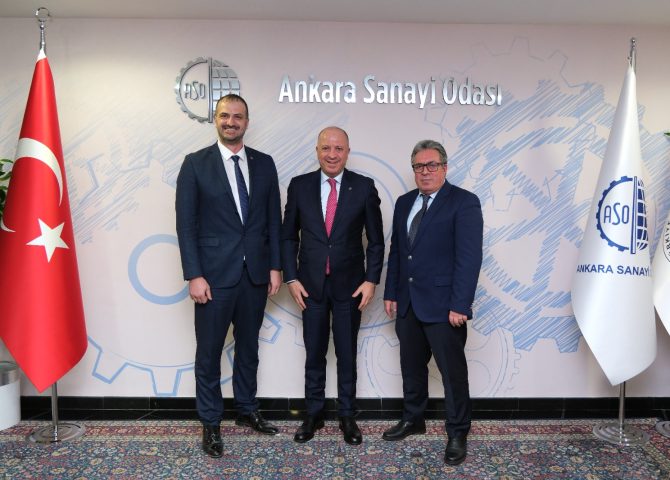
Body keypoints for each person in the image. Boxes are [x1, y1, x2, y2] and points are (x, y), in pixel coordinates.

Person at [175, 94, 282, 458]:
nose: (231, 122)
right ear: (216, 119)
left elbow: (273, 220)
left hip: (255, 275)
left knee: (248, 348)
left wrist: (275, 266)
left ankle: (247, 410)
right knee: (208, 353)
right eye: (225, 116)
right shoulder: (195, 164)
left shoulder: (264, 164)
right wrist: (194, 274)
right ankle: (210, 422)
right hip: (213, 278)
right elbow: (186, 225)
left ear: (246, 122)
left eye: (237, 116)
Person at [281, 126, 384, 445]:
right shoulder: (299, 186)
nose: (332, 154)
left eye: (338, 148)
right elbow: (288, 237)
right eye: (326, 148)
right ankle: (313, 413)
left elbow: (376, 241)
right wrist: (291, 277)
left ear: (348, 152)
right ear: (317, 151)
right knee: (314, 353)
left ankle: (347, 416)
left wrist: (371, 280)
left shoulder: (364, 187)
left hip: (350, 288)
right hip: (309, 287)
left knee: (346, 353)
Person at [382, 139, 483, 466]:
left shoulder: (464, 202)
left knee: (453, 374)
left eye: (432, 165)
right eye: (419, 166)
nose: (425, 171)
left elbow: (469, 259)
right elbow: (398, 252)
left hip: (445, 307)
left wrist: (460, 305)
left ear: (444, 167)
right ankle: (413, 419)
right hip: (408, 302)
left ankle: (457, 432)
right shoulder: (404, 202)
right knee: (411, 367)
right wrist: (391, 292)